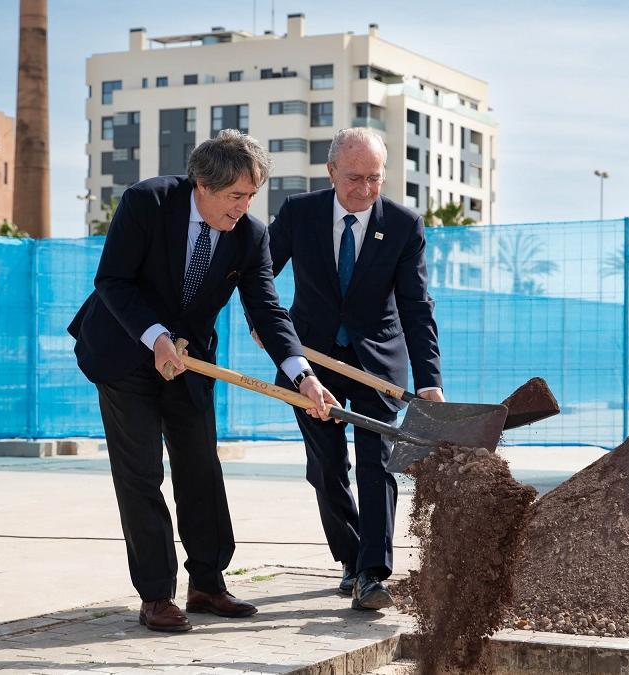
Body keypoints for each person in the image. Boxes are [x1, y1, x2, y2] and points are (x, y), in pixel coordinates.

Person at [68, 130, 335, 633]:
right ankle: (155, 594)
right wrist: (156, 337)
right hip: (125, 350)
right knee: (142, 472)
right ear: (202, 185)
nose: (243, 207)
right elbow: (113, 280)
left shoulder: (250, 235)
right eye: (236, 195)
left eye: (251, 196)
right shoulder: (147, 202)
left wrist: (303, 375)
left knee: (200, 468)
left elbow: (268, 310)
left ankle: (208, 583)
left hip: (190, 361)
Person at [255, 127, 443, 610]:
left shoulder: (403, 225)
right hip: (309, 361)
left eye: (374, 179)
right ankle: (350, 558)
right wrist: (265, 326)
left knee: (377, 463)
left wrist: (429, 383)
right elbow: (259, 275)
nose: (363, 190)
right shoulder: (300, 213)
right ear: (331, 170)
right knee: (326, 467)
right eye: (354, 178)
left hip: (377, 361)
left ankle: (372, 574)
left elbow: (417, 307)